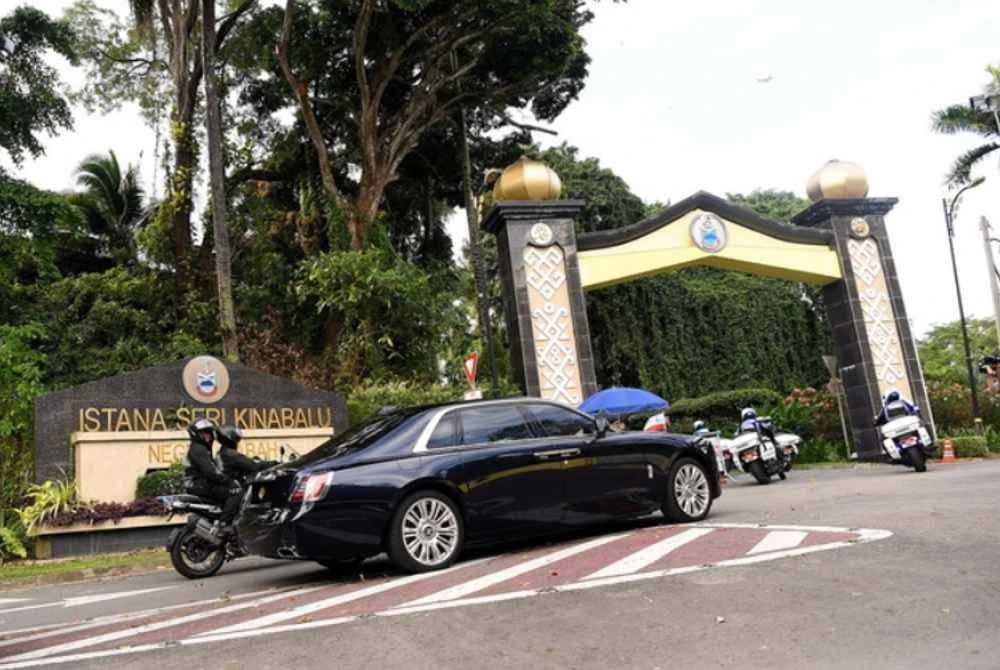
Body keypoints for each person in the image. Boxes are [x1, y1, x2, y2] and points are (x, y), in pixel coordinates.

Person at [183, 418, 241, 531]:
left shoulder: (201, 449)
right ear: (195, 434)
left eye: (209, 432)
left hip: (199, 484)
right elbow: (211, 472)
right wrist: (230, 482)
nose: (208, 436)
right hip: (199, 485)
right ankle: (223, 525)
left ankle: (218, 521)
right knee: (237, 493)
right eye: (204, 433)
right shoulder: (198, 449)